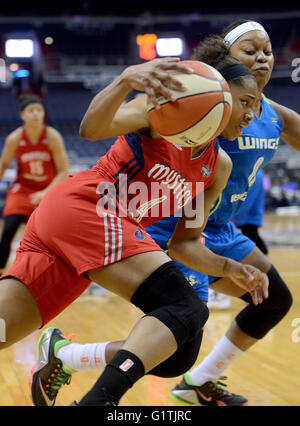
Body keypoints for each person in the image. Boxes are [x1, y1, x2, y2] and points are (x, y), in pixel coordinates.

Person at [43, 20, 300, 407]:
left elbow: (193, 231)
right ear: (223, 69)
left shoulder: (268, 119)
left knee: (265, 303)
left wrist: (229, 267)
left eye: (267, 51)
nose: (263, 57)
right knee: (177, 329)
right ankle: (84, 378)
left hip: (213, 229)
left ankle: (193, 382)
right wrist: (129, 81)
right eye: (250, 51)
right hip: (150, 223)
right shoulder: (187, 106)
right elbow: (94, 128)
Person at [0, 95, 69, 274]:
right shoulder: (14, 138)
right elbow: (2, 165)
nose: (36, 114)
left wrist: (46, 192)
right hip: (23, 189)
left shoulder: (52, 137)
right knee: (7, 230)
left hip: (48, 188)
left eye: (39, 110)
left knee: (53, 233)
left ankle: (59, 270)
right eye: (31, 111)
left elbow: (63, 171)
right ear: (23, 115)